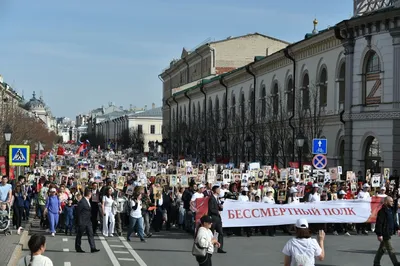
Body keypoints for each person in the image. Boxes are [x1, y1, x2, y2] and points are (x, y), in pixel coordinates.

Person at [373, 196, 400, 266]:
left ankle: (376, 262)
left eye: (392, 201)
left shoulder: (391, 210)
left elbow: (394, 221)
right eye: (390, 201)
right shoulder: (382, 211)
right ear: (386, 202)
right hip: (385, 233)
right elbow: (379, 223)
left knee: (382, 249)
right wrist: (379, 234)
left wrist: (398, 229)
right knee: (390, 249)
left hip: (390, 232)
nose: (392, 203)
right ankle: (396, 263)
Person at [75, 188, 100, 253]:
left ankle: (93, 248)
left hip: (88, 221)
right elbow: (78, 212)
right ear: (89, 194)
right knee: (79, 235)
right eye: (91, 194)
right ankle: (78, 247)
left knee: (90, 234)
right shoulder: (82, 202)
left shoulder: (88, 201)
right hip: (82, 221)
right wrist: (78, 221)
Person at [207, 184, 226, 254]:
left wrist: (220, 207)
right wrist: (217, 211)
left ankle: (220, 248)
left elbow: (218, 207)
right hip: (213, 218)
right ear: (215, 190)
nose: (219, 190)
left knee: (221, 233)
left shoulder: (217, 198)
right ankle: (209, 247)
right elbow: (211, 209)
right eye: (218, 189)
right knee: (211, 233)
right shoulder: (211, 198)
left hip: (218, 218)